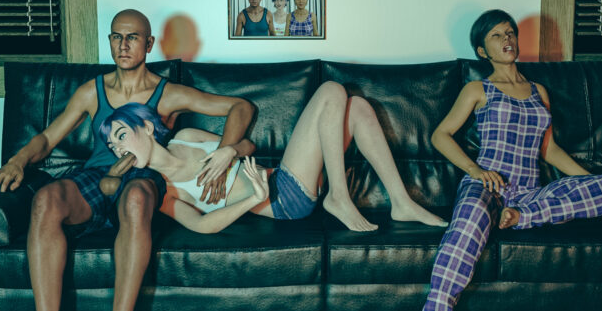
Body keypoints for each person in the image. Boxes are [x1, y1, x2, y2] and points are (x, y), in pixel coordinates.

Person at [0, 9, 255, 311]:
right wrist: (17, 161)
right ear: (110, 41)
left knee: (137, 198)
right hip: (97, 178)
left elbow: (241, 107)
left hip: (142, 178)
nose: (123, 45)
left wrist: (225, 155)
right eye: (117, 37)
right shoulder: (91, 91)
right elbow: (46, 139)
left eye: (132, 37)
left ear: (149, 44)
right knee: (44, 199)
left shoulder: (168, 94)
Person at [417, 9, 602, 311]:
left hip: (531, 195)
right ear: (482, 50)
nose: (507, 38)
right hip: (486, 185)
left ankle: (519, 217)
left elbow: (549, 150)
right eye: (497, 35)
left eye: (510, 32)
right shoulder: (478, 89)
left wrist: (590, 182)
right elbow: (440, 135)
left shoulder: (539, 91)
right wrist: (476, 170)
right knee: (467, 224)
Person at [101, 82, 449, 233]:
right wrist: (252, 199)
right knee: (331, 90)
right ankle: (339, 198)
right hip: (285, 199)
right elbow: (203, 226)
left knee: (355, 105)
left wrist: (228, 150)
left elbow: (249, 147)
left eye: (121, 135)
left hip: (287, 174)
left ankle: (401, 202)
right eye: (112, 146)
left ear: (147, 127)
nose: (117, 148)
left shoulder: (187, 137)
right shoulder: (164, 191)